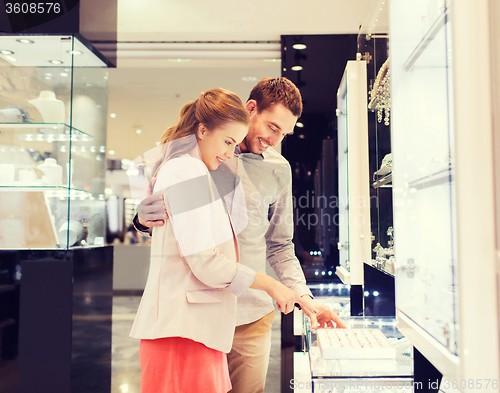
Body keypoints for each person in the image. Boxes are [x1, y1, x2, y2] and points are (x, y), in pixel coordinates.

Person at [134, 78, 346, 393]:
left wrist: (303, 297)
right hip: (197, 313)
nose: (275, 139)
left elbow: (280, 246)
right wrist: (140, 218)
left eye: (284, 134)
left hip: (251, 313)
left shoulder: (278, 169)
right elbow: (171, 224)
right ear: (251, 109)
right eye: (273, 127)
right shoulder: (197, 156)